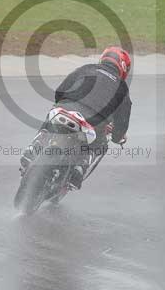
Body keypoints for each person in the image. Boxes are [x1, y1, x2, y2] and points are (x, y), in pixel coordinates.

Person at [20, 46, 132, 190]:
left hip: (66, 108)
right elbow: (123, 119)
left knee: (51, 118)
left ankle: (34, 146)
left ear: (103, 58)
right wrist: (117, 137)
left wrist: (60, 103)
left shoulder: (86, 68)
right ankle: (80, 168)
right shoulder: (121, 87)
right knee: (101, 144)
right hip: (93, 121)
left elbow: (61, 89)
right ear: (123, 68)